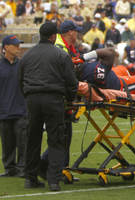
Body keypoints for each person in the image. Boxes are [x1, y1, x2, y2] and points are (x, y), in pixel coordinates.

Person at [18, 21, 78, 191]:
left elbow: (20, 80)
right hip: (53, 99)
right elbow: (71, 81)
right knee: (56, 140)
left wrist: (29, 96)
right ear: (53, 36)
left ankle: (30, 178)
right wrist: (70, 99)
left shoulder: (27, 55)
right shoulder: (60, 54)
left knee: (33, 139)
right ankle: (53, 180)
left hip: (32, 99)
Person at [0, 35, 26, 178]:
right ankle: (9, 169)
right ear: (6, 48)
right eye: (15, 45)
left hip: (21, 109)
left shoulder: (22, 64)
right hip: (3, 110)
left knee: (23, 141)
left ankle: (22, 168)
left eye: (19, 45)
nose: (18, 48)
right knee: (7, 142)